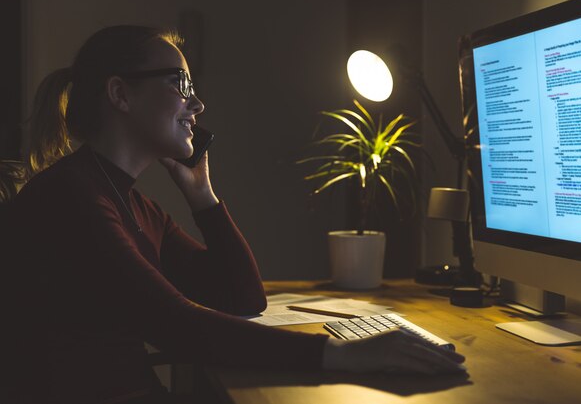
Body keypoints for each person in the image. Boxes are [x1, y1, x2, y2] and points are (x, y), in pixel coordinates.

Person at [3, 25, 465, 404]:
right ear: (121, 94)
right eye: (179, 84)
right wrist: (348, 355)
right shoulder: (73, 198)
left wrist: (203, 196)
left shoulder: (130, 202)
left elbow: (242, 297)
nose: (197, 105)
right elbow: (178, 324)